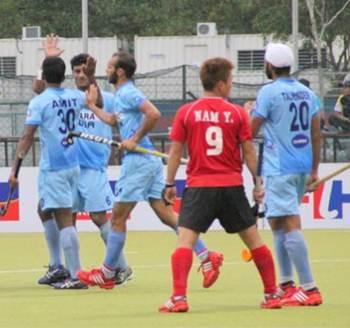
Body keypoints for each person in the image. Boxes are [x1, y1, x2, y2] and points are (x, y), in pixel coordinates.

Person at [76, 51, 223, 290]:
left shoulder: (130, 92)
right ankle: (207, 256)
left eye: (110, 67)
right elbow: (115, 121)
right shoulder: (122, 95)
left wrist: (134, 138)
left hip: (138, 162)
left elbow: (153, 113)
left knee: (118, 218)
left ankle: (107, 273)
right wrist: (92, 106)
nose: (107, 70)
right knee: (167, 215)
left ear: (120, 71)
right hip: (148, 163)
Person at [159, 57, 282, 313]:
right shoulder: (237, 113)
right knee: (254, 241)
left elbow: (174, 153)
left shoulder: (187, 112)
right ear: (222, 84)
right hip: (231, 186)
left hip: (199, 186)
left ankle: (178, 298)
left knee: (185, 242)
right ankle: (272, 293)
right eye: (230, 81)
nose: (231, 86)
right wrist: (257, 183)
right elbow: (248, 152)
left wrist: (169, 183)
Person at [33, 36, 132, 288]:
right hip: (71, 168)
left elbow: (97, 102)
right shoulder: (66, 98)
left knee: (99, 217)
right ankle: (63, 268)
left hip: (93, 169)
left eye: (83, 71)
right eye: (76, 71)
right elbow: (38, 90)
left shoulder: (103, 97)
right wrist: (48, 59)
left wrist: (93, 77)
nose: (80, 75)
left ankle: (121, 266)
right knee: (51, 212)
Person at [8, 56, 93, 289]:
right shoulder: (75, 97)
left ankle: (76, 276)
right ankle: (57, 266)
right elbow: (94, 99)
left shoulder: (40, 102)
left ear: (44, 77)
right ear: (64, 76)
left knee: (65, 219)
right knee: (44, 209)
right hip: (73, 165)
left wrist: (15, 169)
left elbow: (26, 137)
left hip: (54, 168)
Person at [251, 42, 323, 306]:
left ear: (269, 66)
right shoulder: (307, 93)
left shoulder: (268, 92)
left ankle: (309, 287)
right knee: (278, 224)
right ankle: (286, 285)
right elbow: (317, 135)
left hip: (279, 168)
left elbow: (250, 129)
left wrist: (249, 111)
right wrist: (314, 169)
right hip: (302, 166)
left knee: (289, 223)